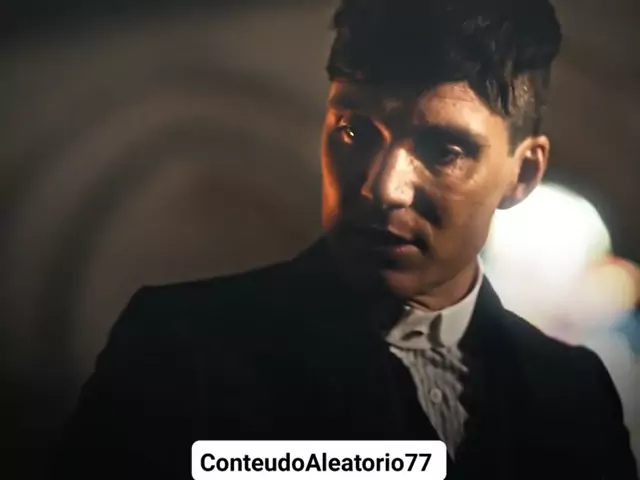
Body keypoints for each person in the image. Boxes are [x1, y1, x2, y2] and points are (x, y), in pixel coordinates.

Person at [52, 0, 639, 479]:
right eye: (355, 131)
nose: (384, 188)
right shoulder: (179, 350)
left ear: (523, 174)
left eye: (444, 150)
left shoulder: (573, 394)